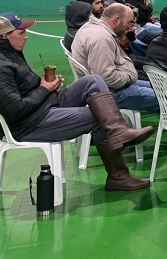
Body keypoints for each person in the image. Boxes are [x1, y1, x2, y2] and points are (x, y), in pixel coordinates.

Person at [0, 13, 154, 191]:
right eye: (21, 33)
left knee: (93, 80)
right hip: (29, 124)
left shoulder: (12, 54)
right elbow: (16, 109)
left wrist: (47, 85)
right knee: (99, 117)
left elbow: (24, 89)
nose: (26, 36)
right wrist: (44, 89)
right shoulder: (2, 66)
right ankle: (118, 176)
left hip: (45, 105)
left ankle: (118, 131)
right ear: (4, 36)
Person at [71, 4, 160, 113]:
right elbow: (105, 77)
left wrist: (120, 42)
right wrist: (129, 76)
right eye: (129, 22)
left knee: (164, 89)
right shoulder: (101, 38)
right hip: (109, 93)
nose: (130, 27)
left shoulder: (92, 28)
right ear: (116, 20)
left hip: (108, 87)